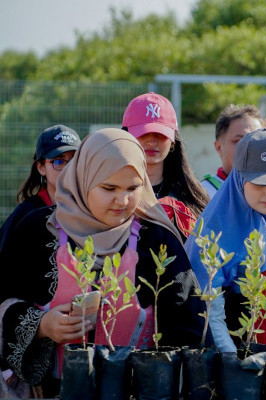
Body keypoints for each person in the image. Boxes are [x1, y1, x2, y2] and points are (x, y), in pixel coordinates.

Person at [0, 129, 206, 398]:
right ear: (84, 179)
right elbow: (4, 299)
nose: (122, 201)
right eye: (109, 188)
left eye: (133, 188)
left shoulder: (156, 238)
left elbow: (188, 323)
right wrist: (42, 326)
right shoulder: (38, 229)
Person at [186, 128, 266, 352]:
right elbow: (212, 318)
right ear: (240, 178)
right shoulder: (213, 234)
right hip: (233, 361)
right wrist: (233, 364)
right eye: (261, 183)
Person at [122, 92, 209, 238]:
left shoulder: (193, 199)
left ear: (173, 141)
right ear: (126, 135)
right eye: (143, 133)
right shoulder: (109, 190)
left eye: (160, 134)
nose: (152, 141)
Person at [0, 125, 81, 253]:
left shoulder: (91, 209)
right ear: (41, 167)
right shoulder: (25, 215)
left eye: (74, 161)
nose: (68, 169)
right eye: (58, 162)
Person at [201, 104, 266, 198]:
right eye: (239, 141)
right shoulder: (205, 193)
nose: (251, 147)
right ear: (219, 147)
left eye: (258, 140)